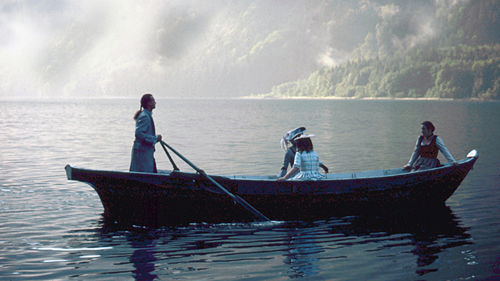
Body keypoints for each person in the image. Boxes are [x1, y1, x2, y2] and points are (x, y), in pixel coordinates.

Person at [129, 93, 162, 173]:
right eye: (153, 100)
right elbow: (139, 133)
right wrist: (155, 138)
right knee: (143, 173)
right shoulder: (145, 116)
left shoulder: (146, 115)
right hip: (142, 155)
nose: (155, 102)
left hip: (146, 154)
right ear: (149, 103)